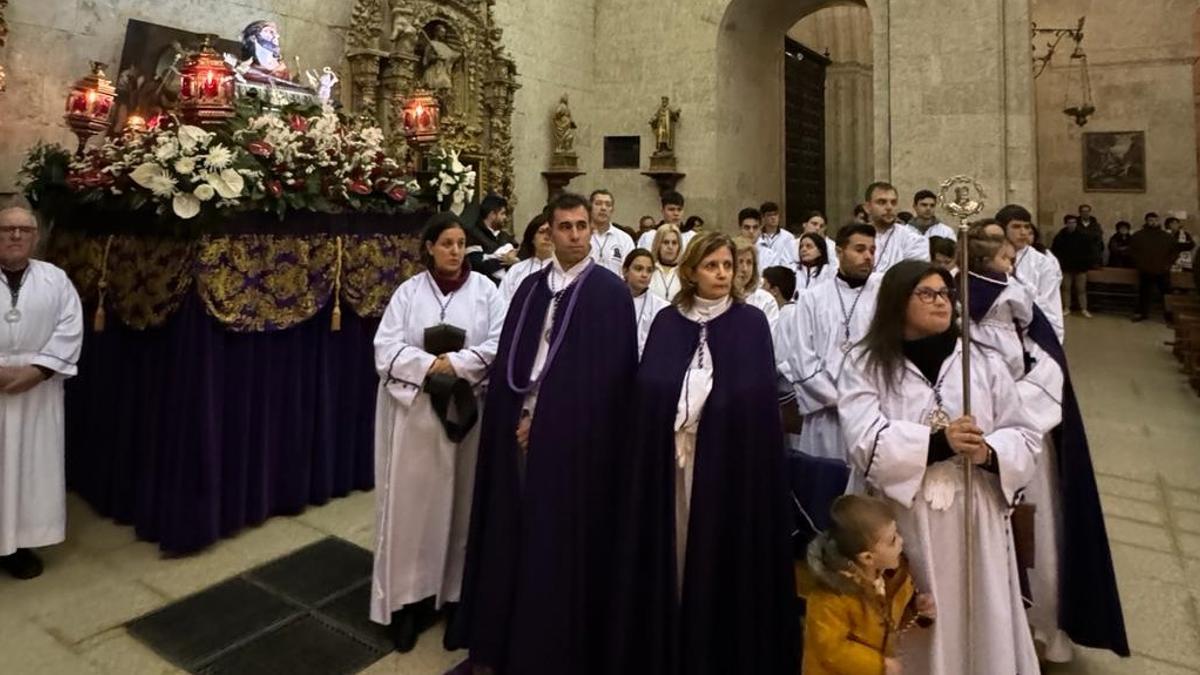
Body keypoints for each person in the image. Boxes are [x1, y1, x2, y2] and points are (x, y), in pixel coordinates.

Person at [450, 192, 639, 674]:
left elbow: (611, 380)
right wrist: (514, 413)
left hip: (574, 443)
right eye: (566, 227)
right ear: (549, 232)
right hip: (517, 423)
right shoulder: (531, 289)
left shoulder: (609, 293)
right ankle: (501, 637)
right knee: (511, 532)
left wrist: (551, 420)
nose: (575, 235)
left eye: (582, 227)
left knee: (557, 541)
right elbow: (513, 354)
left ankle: (551, 645)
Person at [838, 259, 1042, 675]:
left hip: (975, 514)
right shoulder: (868, 363)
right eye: (927, 294)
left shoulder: (980, 363)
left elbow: (1024, 434)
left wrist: (987, 451)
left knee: (978, 614)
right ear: (898, 302)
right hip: (904, 518)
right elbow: (862, 440)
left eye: (946, 294)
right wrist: (936, 443)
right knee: (916, 619)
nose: (941, 303)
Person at [612, 231, 797, 674]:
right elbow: (648, 386)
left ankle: (715, 643)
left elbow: (754, 395)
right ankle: (668, 631)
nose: (720, 274)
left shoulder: (749, 324)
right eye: (711, 265)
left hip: (730, 466)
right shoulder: (667, 322)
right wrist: (676, 408)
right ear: (691, 270)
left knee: (720, 550)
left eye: (727, 266)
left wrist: (711, 410)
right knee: (674, 546)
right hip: (672, 462)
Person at [965, 225, 1129, 662]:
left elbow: (1046, 373)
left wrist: (1005, 419)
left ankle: (1039, 631)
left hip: (1022, 445)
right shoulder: (955, 310)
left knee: (1034, 536)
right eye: (1001, 256)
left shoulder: (1025, 316)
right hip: (967, 444)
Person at [370, 213, 506, 651]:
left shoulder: (487, 291)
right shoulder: (408, 293)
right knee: (412, 511)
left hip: (467, 417)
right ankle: (408, 603)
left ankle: (455, 599)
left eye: (460, 242)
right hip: (417, 419)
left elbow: (500, 343)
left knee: (463, 507)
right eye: (445, 242)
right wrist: (432, 366)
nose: (454, 250)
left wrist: (458, 365)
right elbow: (385, 347)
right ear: (429, 246)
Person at [0, 206, 83, 580]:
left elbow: (70, 326)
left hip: (37, 391)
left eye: (23, 229)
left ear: (35, 237)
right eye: (6, 229)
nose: (15, 236)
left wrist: (40, 369)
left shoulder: (56, 279)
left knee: (28, 471)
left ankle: (18, 545)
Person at [801, 495, 935, 675]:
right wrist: (879, 665)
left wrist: (916, 607)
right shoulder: (830, 597)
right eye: (893, 540)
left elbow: (893, 611)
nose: (901, 541)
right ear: (867, 558)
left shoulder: (891, 575)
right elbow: (831, 649)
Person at [782, 223, 880, 462]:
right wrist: (840, 399)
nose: (868, 256)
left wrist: (862, 402)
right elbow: (801, 358)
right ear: (839, 252)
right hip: (825, 415)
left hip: (872, 414)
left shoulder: (883, 295)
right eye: (859, 249)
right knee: (825, 490)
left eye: (872, 250)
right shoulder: (812, 298)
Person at [998, 204, 1065, 340]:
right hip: (998, 332)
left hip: (1032, 333)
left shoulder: (1042, 263)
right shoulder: (990, 258)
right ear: (1001, 229)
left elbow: (1051, 305)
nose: (1023, 232)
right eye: (1016, 227)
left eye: (1027, 227)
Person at [1130, 213, 1191, 322]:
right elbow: (1133, 252)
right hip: (1145, 269)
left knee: (1166, 294)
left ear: (1158, 221)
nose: (1153, 222)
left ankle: (1169, 315)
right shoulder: (1138, 236)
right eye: (1150, 220)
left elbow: (1174, 252)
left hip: (1162, 270)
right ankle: (1141, 313)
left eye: (1155, 220)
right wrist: (1139, 264)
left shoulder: (1166, 237)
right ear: (1146, 221)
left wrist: (1168, 264)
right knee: (1144, 293)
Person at [863, 182, 929, 272]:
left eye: (893, 202)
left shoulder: (914, 239)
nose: (889, 207)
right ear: (867, 207)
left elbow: (913, 276)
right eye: (882, 202)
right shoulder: (852, 237)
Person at [624, 248, 670, 358]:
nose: (644, 275)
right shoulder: (611, 299)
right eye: (638, 269)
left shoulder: (661, 307)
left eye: (649, 270)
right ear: (625, 271)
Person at [499, 214, 553, 301]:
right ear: (532, 238)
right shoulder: (516, 270)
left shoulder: (564, 269)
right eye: (541, 232)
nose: (546, 237)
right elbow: (502, 303)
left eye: (550, 233)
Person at [465, 194, 518, 284]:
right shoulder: (473, 235)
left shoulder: (505, 236)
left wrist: (515, 261)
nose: (505, 218)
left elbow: (520, 255)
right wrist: (504, 261)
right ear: (492, 214)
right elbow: (476, 264)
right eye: (502, 213)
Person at [1051, 214, 1096, 318]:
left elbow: (1089, 251)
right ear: (1066, 224)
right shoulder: (1060, 236)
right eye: (1070, 223)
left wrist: (1087, 263)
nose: (1072, 225)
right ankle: (1067, 308)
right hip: (1066, 267)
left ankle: (1084, 309)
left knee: (1081, 289)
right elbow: (1056, 251)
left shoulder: (1083, 236)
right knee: (1066, 289)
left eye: (1074, 222)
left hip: (1080, 267)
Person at [734, 236, 781, 332]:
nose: (745, 269)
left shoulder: (765, 300)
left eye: (749, 262)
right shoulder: (717, 298)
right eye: (740, 262)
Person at [588, 189, 636, 276]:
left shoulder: (625, 239)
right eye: (598, 203)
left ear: (612, 209)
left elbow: (630, 270)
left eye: (608, 205)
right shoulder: (582, 236)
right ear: (589, 207)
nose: (603, 208)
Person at [647, 223, 683, 302]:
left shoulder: (684, 273)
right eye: (666, 242)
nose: (670, 247)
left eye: (674, 243)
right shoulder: (649, 270)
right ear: (658, 245)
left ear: (679, 246)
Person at [759, 201, 797, 266]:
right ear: (763, 217)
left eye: (775, 214)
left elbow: (792, 259)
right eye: (769, 215)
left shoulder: (788, 237)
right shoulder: (757, 236)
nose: (773, 218)